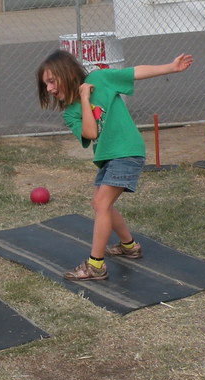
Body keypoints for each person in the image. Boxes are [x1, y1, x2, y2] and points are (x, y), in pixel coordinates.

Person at [36, 49, 194, 281]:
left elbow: (134, 72)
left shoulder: (100, 79)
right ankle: (129, 246)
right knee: (100, 204)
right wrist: (84, 99)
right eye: (46, 85)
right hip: (109, 157)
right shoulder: (70, 113)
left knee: (101, 204)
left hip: (126, 151)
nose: (49, 89)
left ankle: (95, 265)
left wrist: (170, 67)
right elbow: (91, 132)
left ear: (66, 73)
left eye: (51, 81)